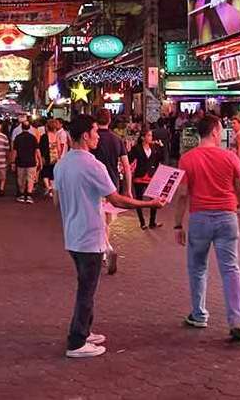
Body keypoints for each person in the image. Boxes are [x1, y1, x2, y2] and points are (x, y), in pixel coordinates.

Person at [54, 114, 162, 358]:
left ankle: (84, 330)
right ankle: (76, 341)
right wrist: (148, 203)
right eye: (94, 132)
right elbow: (116, 198)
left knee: (86, 285)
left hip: (72, 234)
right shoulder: (93, 165)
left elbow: (56, 200)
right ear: (85, 135)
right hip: (89, 235)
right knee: (87, 290)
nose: (97, 137)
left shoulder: (62, 165)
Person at [172, 115, 240, 342]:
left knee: (197, 268)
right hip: (227, 216)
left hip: (200, 218)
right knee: (230, 269)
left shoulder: (187, 159)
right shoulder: (230, 157)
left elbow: (183, 194)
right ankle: (236, 319)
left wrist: (178, 224)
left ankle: (199, 314)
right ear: (216, 131)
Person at [93, 108, 132, 274]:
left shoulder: (92, 139)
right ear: (110, 120)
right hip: (112, 185)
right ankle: (105, 248)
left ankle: (104, 249)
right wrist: (128, 189)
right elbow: (126, 166)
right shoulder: (117, 140)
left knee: (97, 220)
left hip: (94, 185)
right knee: (106, 220)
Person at [129, 129, 164, 229]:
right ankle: (142, 222)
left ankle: (152, 222)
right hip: (139, 176)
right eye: (148, 135)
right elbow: (130, 159)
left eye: (151, 135)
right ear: (143, 137)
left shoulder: (154, 147)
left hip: (151, 176)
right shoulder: (136, 148)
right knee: (139, 200)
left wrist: (161, 147)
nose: (151, 137)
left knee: (154, 200)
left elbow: (159, 159)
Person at [11, 123, 42, 203]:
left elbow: (14, 151)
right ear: (29, 128)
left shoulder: (18, 138)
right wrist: (40, 161)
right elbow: (37, 150)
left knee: (21, 178)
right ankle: (29, 195)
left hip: (20, 161)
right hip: (31, 161)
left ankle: (21, 194)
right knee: (31, 178)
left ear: (21, 127)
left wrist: (13, 162)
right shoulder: (33, 138)